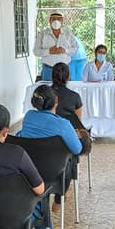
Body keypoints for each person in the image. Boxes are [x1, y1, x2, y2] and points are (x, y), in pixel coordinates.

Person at [18, 85, 87, 222]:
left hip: (27, 171)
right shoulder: (63, 124)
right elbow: (77, 149)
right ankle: (59, 198)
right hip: (52, 174)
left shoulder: (28, 116)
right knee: (70, 160)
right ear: (56, 100)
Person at [33, 12, 79, 82]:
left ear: (62, 21)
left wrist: (65, 50)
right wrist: (49, 51)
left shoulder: (68, 34)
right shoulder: (43, 34)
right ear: (50, 20)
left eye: (58, 19)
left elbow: (76, 48)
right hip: (48, 69)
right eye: (53, 19)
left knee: (65, 88)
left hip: (64, 70)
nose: (56, 21)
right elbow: (36, 51)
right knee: (48, 88)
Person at [51, 62, 86, 131]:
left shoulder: (44, 94)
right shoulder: (75, 97)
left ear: (52, 76)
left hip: (48, 132)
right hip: (68, 133)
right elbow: (78, 124)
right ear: (68, 77)